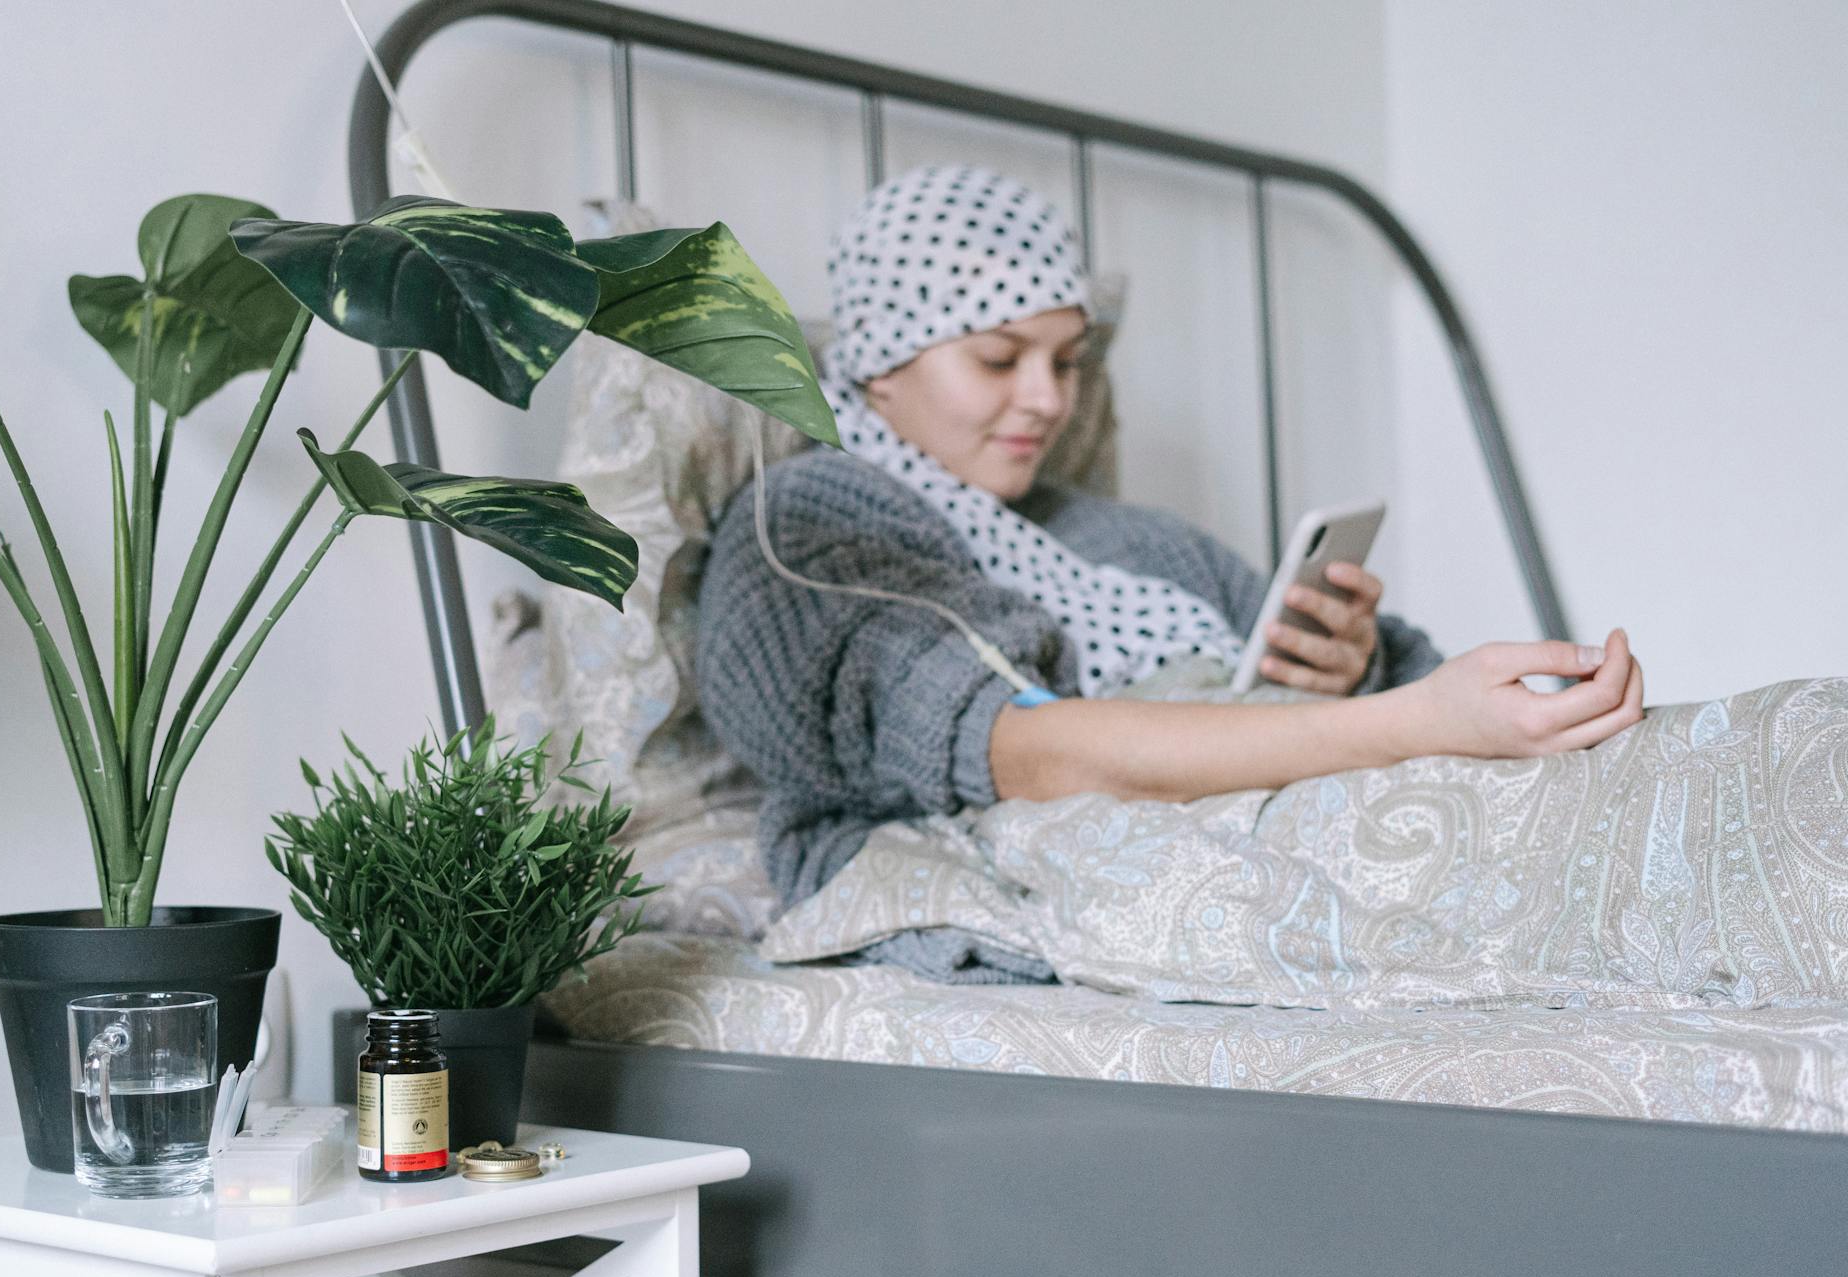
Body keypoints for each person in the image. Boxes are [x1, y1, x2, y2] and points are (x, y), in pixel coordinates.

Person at [697, 164, 1644, 909]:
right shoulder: (809, 526)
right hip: (1175, 870)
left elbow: (1379, 676)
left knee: (1656, 780)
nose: (1049, 399)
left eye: (1067, 361)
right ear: (878, 362)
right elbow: (1027, 754)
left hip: (1309, 812)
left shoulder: (1136, 540)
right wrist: (1409, 724)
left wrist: (1349, 665)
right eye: (998, 357)